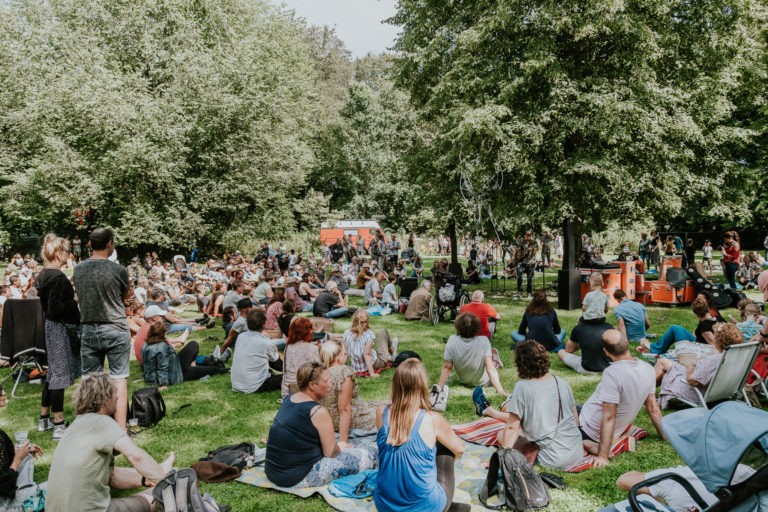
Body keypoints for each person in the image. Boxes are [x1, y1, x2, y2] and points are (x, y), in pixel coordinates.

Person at [46, 373, 174, 512]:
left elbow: (112, 476)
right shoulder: (102, 422)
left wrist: (146, 479)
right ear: (105, 398)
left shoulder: (74, 427)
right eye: (114, 393)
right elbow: (135, 455)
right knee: (159, 496)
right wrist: (169, 484)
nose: (118, 397)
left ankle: (162, 469)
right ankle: (166, 475)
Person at [374, 359, 469, 512]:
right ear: (421, 386)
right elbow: (460, 449)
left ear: (395, 384)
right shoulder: (432, 419)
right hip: (425, 507)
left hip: (385, 505)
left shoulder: (381, 412)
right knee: (445, 447)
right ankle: (445, 506)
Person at [473, 341, 584, 471]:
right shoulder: (562, 382)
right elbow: (575, 422)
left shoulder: (522, 387)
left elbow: (511, 428)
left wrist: (501, 459)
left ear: (520, 364)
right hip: (576, 452)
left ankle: (488, 411)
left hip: (552, 458)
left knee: (501, 435)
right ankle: (489, 411)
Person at [265, 362, 377, 488]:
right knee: (368, 455)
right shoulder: (318, 411)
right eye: (326, 381)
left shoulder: (289, 398)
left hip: (273, 472)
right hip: (298, 477)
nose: (330, 384)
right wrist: (340, 447)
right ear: (313, 385)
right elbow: (330, 453)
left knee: (356, 446)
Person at [72, 227, 131, 430]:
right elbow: (124, 297)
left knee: (89, 380)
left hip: (88, 327)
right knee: (119, 379)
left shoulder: (79, 269)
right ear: (110, 244)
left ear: (89, 244)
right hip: (115, 326)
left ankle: (88, 428)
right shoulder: (118, 270)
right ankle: (120, 429)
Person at [578, 330, 664, 467]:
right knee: (575, 407)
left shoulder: (612, 373)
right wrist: (665, 435)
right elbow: (653, 408)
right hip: (595, 420)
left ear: (606, 351)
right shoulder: (648, 368)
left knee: (553, 425)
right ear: (627, 343)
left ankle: (585, 444)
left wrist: (602, 456)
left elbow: (609, 416)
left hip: (588, 431)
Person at [35, 234, 80, 440]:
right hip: (59, 328)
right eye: (67, 251)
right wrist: (74, 301)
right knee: (59, 375)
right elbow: (55, 308)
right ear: (59, 253)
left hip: (51, 327)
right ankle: (59, 423)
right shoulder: (58, 277)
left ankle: (44, 418)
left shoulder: (44, 274)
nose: (69, 255)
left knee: (53, 374)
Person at [655, 323, 742, 409]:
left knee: (663, 367)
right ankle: (647, 393)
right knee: (663, 362)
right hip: (718, 392)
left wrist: (689, 368)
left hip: (695, 391)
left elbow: (693, 381)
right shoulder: (736, 357)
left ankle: (645, 393)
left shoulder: (715, 360)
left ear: (719, 341)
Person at [318, 341, 382, 446]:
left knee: (376, 405)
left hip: (328, 421)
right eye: (344, 353)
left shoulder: (319, 372)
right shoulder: (343, 372)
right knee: (386, 412)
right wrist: (344, 441)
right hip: (351, 422)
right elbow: (344, 408)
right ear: (338, 356)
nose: (345, 356)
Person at [0, 385, 46, 510]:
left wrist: (21, 452)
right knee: (54, 487)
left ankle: (27, 491)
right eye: (0, 390)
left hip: (8, 491)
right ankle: (28, 497)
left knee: (27, 457)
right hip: (4, 504)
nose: (4, 392)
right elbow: (4, 488)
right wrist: (16, 460)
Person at [436, 313, 505, 396]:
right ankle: (496, 361)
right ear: (477, 327)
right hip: (483, 383)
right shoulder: (484, 340)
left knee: (492, 353)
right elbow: (490, 368)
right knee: (493, 356)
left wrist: (438, 388)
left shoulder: (452, 340)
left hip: (463, 381)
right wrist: (501, 391)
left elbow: (447, 367)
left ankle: (495, 357)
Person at [231, 309, 284, 393]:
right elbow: (279, 365)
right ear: (264, 324)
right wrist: (278, 353)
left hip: (236, 384)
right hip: (254, 386)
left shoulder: (241, 336)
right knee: (290, 377)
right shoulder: (265, 342)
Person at [644, 295, 716, 354]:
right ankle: (655, 347)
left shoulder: (705, 326)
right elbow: (695, 333)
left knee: (674, 328)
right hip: (697, 342)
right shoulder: (711, 319)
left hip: (697, 348)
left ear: (696, 313)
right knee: (675, 328)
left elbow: (713, 346)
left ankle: (655, 349)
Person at [343, 309, 397, 378]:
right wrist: (372, 373)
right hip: (375, 363)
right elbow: (367, 355)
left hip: (355, 367)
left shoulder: (346, 333)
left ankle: (392, 351)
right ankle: (393, 353)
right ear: (367, 321)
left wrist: (339, 369)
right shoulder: (369, 334)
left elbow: (345, 354)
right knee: (382, 331)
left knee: (376, 348)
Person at [282, 317, 321, 397]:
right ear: (307, 331)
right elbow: (318, 372)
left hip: (288, 390)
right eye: (310, 328)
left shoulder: (287, 347)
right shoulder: (311, 348)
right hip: (304, 389)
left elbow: (284, 372)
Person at [515, 230, 538, 298]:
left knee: (529, 278)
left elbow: (535, 252)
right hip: (521, 262)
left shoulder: (534, 242)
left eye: (529, 235)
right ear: (524, 235)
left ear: (531, 235)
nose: (528, 236)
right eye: (527, 235)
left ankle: (529, 292)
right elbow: (518, 252)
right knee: (519, 276)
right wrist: (519, 251)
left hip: (530, 262)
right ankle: (519, 291)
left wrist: (532, 250)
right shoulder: (521, 242)